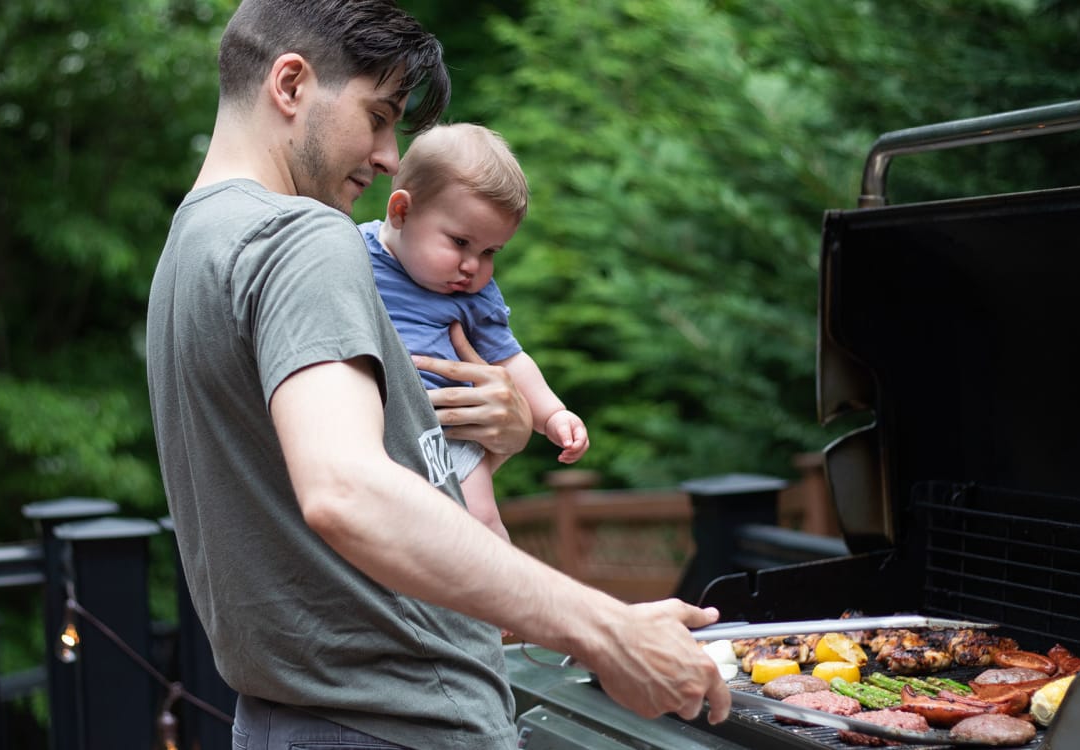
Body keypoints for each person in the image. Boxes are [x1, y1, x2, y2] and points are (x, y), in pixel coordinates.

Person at [144, 1, 731, 748]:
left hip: (281, 720)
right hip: (404, 723)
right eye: (379, 115)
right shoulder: (303, 236)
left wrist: (505, 435)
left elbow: (318, 511)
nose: (391, 153)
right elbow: (347, 492)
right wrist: (603, 628)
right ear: (290, 84)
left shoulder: (194, 242)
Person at [359, 123, 588, 542]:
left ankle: (502, 604)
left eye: (488, 252)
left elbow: (509, 360)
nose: (472, 265)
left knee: (480, 523)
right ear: (401, 211)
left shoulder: (474, 295)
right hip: (366, 430)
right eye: (460, 242)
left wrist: (553, 414)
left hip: (450, 434)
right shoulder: (349, 253)